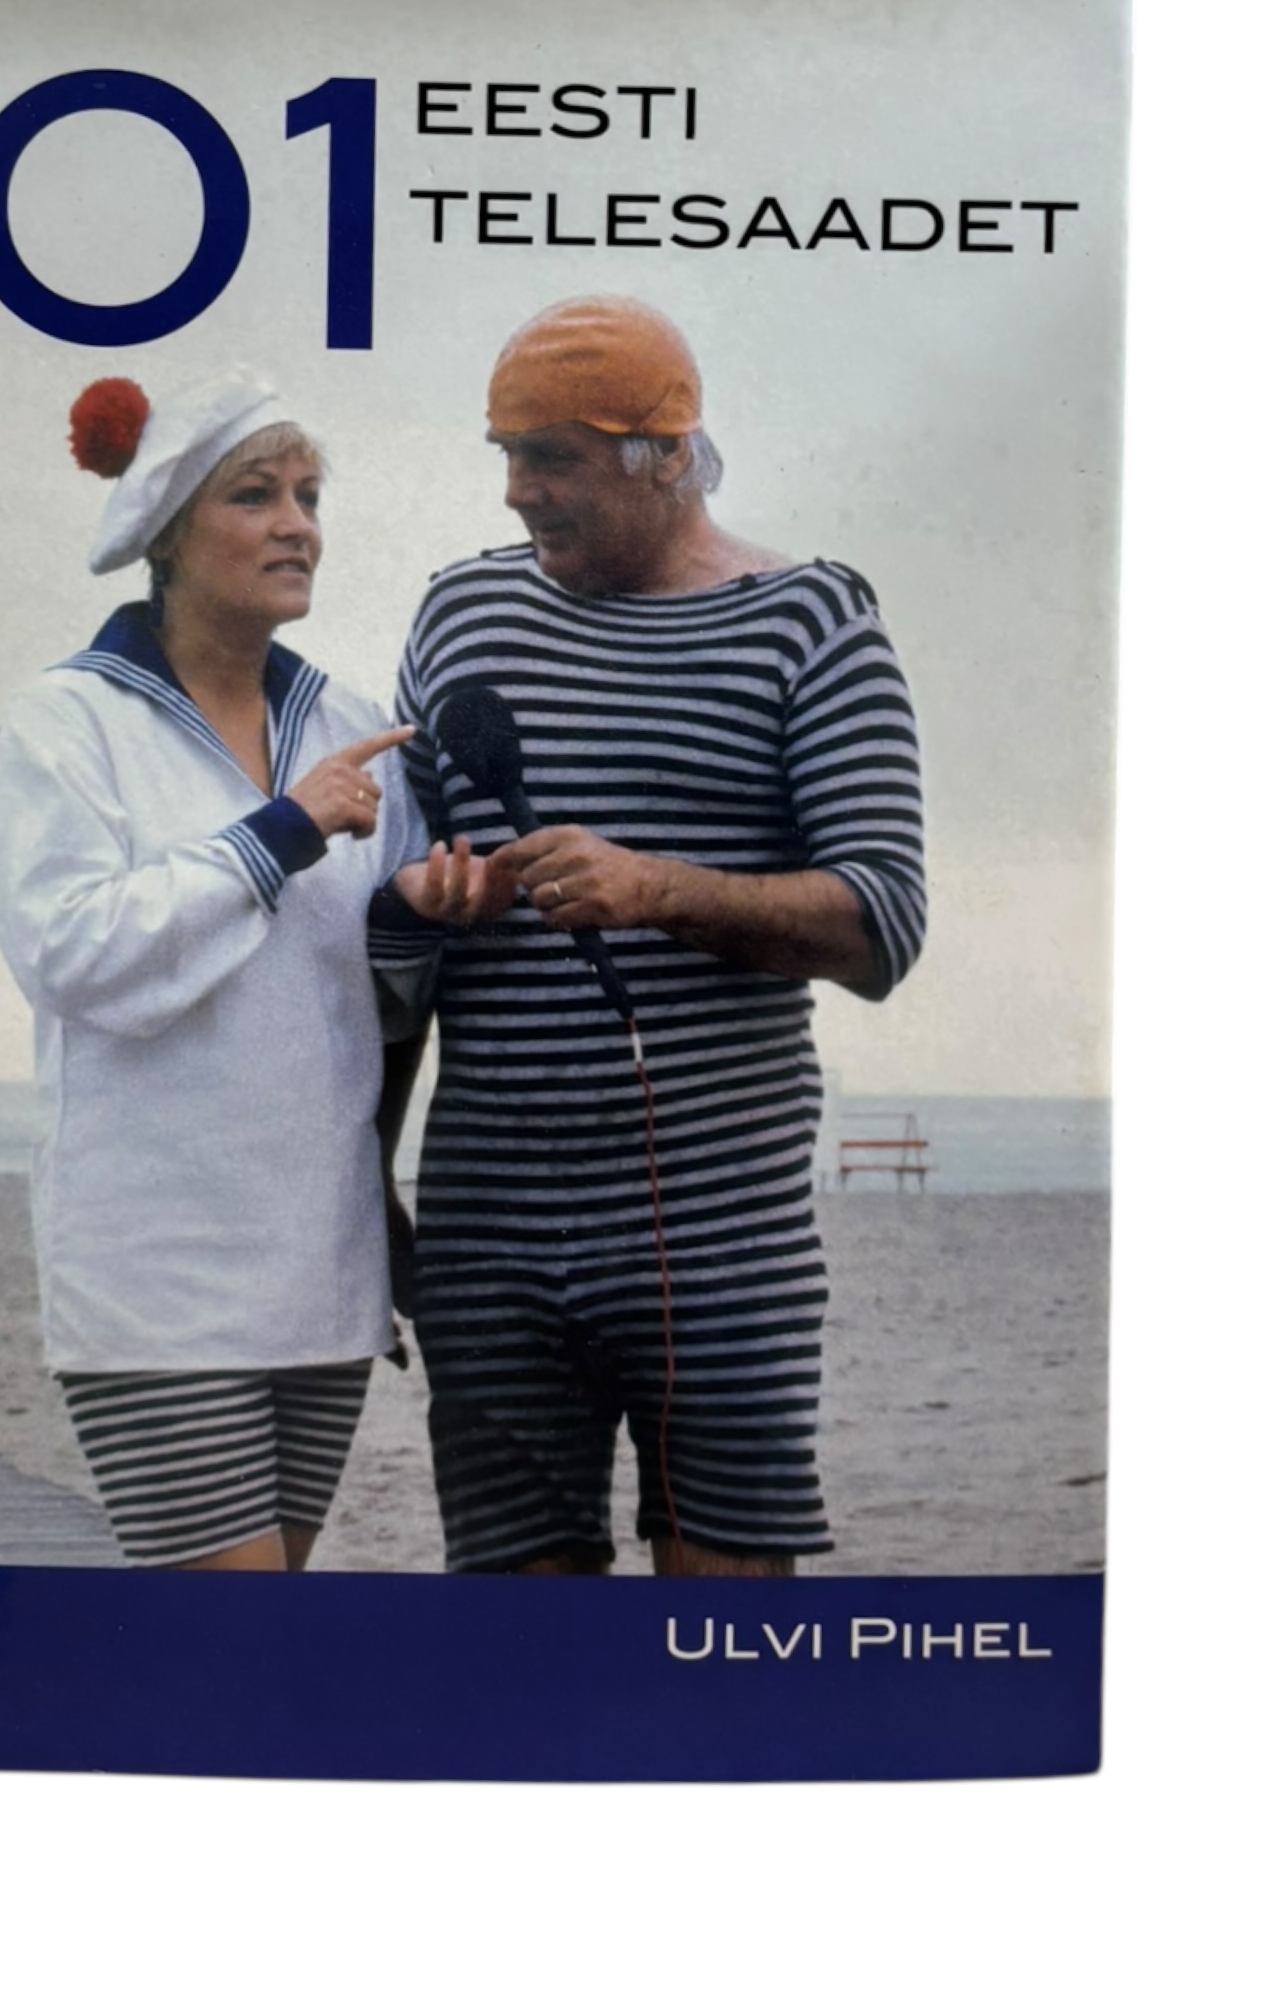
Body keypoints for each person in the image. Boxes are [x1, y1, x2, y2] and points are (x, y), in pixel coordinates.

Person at [393, 297, 927, 1577]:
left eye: (554, 458)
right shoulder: (460, 614)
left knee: (725, 1626)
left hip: (718, 1241)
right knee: (514, 1635)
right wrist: (418, 895)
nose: (518, 491)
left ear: (667, 455)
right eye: (506, 454)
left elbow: (883, 924)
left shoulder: (811, 624)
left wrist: (658, 889)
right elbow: (384, 940)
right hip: (483, 1234)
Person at [0, 368, 438, 1573]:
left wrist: (426, 914)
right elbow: (75, 956)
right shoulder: (66, 722)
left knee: (260, 1632)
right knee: (225, 1634)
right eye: (255, 495)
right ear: (168, 534)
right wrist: (278, 833)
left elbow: (371, 997)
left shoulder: (350, 726)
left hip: (324, 1266)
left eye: (309, 496)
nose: (297, 525)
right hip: (158, 1280)